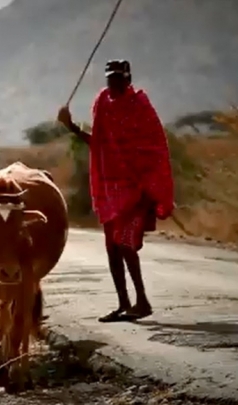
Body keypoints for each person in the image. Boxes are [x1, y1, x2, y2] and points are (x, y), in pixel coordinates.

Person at [57, 59, 174, 323]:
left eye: (119, 79)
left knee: (124, 243)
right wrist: (71, 126)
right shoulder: (103, 103)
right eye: (110, 78)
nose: (114, 83)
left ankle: (142, 301)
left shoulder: (140, 107)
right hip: (111, 189)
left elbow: (155, 148)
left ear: (129, 80)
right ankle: (123, 303)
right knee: (112, 247)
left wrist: (150, 184)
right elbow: (99, 144)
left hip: (137, 188)